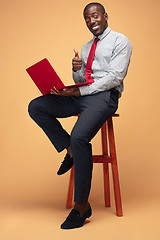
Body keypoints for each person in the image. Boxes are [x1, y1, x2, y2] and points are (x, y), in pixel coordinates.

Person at [28, 2, 132, 229]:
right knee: (36, 106)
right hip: (83, 95)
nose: (91, 21)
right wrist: (76, 69)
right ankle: (71, 150)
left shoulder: (120, 41)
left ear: (105, 16)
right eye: (87, 18)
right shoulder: (85, 48)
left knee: (79, 136)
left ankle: (82, 206)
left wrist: (80, 90)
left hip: (105, 97)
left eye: (95, 16)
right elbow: (80, 81)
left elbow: (115, 77)